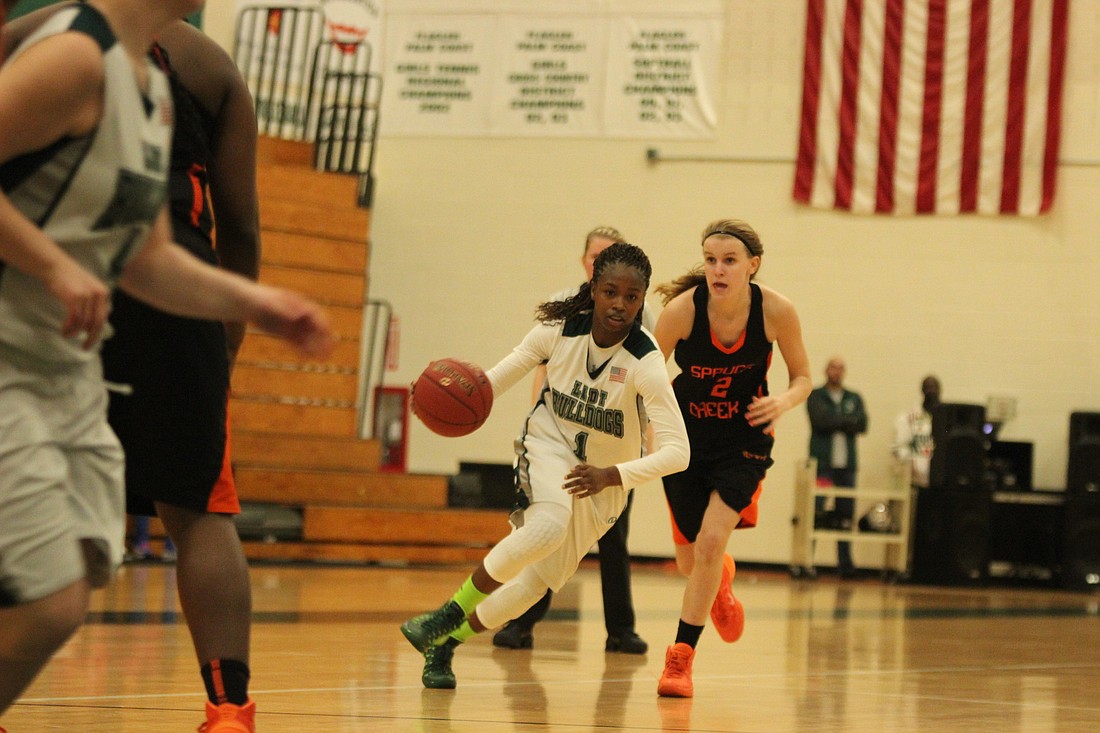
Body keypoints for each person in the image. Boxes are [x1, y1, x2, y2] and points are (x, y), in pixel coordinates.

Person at [0, 2, 335, 729]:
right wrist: (55, 265)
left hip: (67, 370)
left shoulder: (150, 91)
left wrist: (262, 304)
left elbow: (147, 259)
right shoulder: (71, 55)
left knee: (81, 570)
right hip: (10, 353)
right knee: (49, 595)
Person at [399, 243, 690, 689]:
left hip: (603, 482)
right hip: (550, 443)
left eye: (632, 297)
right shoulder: (556, 331)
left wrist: (612, 476)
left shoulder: (644, 362)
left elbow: (678, 453)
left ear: (642, 299)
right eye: (610, 291)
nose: (619, 305)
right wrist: (441, 395)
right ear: (593, 288)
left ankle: (445, 642)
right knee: (548, 524)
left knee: (533, 586)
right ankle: (444, 615)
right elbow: (489, 384)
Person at [651, 219, 811, 697]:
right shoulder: (681, 312)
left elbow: (803, 377)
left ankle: (680, 661)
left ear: (752, 266)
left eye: (729, 261)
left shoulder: (776, 311)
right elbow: (645, 376)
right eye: (710, 260)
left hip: (744, 440)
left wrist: (781, 401)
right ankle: (720, 583)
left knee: (709, 542)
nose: (717, 270)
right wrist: (645, 428)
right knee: (691, 561)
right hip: (686, 441)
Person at [493, 226, 651, 655]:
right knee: (549, 531)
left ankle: (621, 629)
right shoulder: (565, 310)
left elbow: (649, 382)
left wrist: (646, 446)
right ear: (588, 263)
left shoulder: (637, 314)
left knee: (614, 543)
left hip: (616, 448)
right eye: (595, 254)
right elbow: (539, 367)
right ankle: (520, 622)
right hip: (564, 439)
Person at [806, 356, 867, 578]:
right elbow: (820, 422)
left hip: (846, 467)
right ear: (826, 370)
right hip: (823, 466)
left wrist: (836, 420)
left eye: (841, 368)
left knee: (845, 515)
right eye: (833, 367)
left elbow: (862, 424)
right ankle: (807, 561)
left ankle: (846, 564)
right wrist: (845, 420)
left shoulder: (854, 397)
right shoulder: (816, 396)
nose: (836, 372)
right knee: (816, 511)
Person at [892, 375, 941, 488]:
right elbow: (898, 447)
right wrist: (910, 463)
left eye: (934, 388)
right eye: (928, 388)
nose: (931, 391)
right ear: (922, 390)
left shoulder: (947, 419)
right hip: (916, 479)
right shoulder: (909, 417)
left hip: (939, 480)